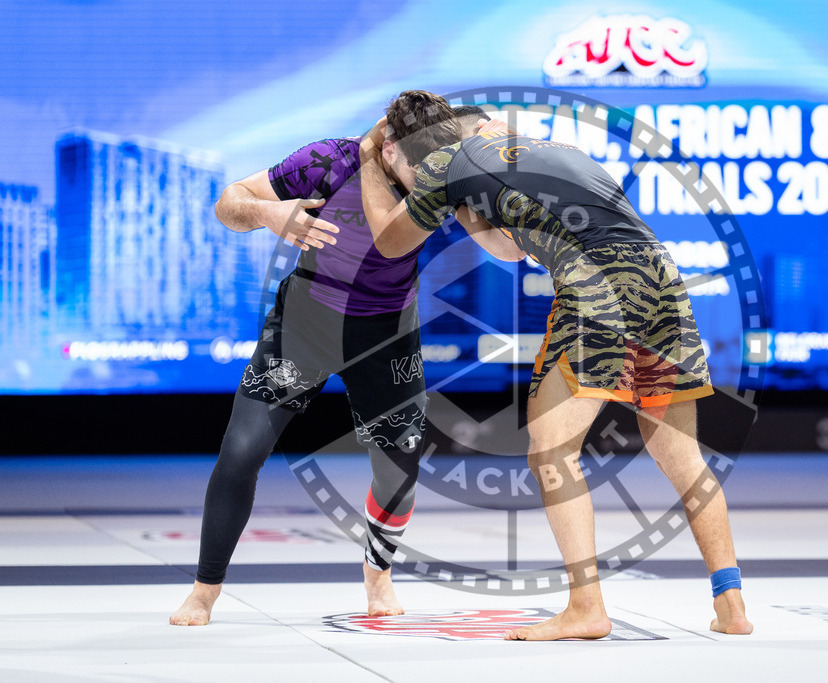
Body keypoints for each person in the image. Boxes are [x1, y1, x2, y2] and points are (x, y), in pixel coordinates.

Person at [358, 111, 753, 640]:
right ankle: (731, 605)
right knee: (682, 457)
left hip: (597, 282)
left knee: (552, 451)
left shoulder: (447, 161)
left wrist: (368, 158)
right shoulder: (560, 150)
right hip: (660, 275)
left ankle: (586, 607)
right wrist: (468, 208)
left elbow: (389, 242)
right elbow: (513, 248)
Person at [169, 92, 515, 627]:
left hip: (385, 333)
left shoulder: (445, 171)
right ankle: (204, 590)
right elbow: (229, 202)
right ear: (391, 147)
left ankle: (378, 572)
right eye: (418, 168)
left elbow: (502, 236)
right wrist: (267, 212)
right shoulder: (328, 161)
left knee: (399, 469)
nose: (429, 180)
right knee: (241, 451)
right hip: (306, 322)